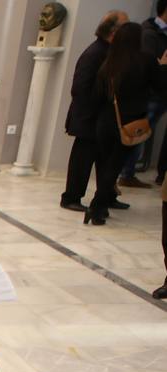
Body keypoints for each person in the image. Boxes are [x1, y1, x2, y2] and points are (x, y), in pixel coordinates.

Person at [87, 22, 167, 225]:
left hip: (105, 121)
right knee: (113, 167)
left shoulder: (109, 62)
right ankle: (97, 207)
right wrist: (163, 66)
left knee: (106, 166)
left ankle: (101, 206)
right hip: (129, 123)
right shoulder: (145, 60)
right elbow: (160, 87)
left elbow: (96, 95)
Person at [62, 11, 129, 212]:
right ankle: (71, 197)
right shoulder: (95, 52)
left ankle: (106, 196)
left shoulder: (108, 51)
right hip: (89, 119)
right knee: (82, 162)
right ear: (113, 30)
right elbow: (80, 89)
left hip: (99, 119)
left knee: (105, 161)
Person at [123, 1, 167, 188]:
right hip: (152, 94)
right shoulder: (149, 33)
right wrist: (162, 65)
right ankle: (127, 172)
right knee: (138, 132)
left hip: (160, 92)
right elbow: (148, 64)